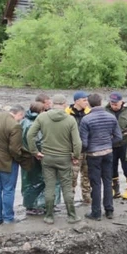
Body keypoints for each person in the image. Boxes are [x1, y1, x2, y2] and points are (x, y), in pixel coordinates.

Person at [27, 94, 82, 225]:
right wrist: (75, 156)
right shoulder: (70, 120)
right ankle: (72, 216)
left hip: (47, 158)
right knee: (67, 187)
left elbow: (30, 135)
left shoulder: (42, 117)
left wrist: (35, 152)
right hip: (64, 158)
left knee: (49, 187)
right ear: (64, 104)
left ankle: (49, 216)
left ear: (52, 104)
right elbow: (77, 143)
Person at [80, 93, 123, 220]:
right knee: (108, 182)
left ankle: (96, 212)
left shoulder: (86, 119)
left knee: (96, 183)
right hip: (108, 153)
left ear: (88, 103)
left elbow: (84, 142)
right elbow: (119, 137)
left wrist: (84, 151)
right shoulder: (111, 117)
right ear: (101, 102)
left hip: (93, 154)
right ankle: (109, 210)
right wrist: (108, 143)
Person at [105, 93, 127, 200]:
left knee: (126, 167)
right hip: (111, 144)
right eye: (112, 103)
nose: (114, 105)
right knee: (112, 167)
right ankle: (115, 189)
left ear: (121, 101)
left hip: (124, 143)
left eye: (116, 103)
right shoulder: (105, 110)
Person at [20, 102, 47, 216]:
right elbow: (38, 141)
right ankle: (33, 206)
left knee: (27, 181)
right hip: (34, 156)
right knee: (36, 182)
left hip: (25, 155)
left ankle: (30, 205)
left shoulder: (24, 121)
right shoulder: (34, 123)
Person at [66, 91, 92, 205]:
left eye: (87, 100)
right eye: (84, 100)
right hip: (74, 150)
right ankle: (69, 201)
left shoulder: (89, 113)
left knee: (87, 176)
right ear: (76, 101)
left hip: (89, 150)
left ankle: (87, 198)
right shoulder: (67, 114)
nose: (87, 102)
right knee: (72, 177)